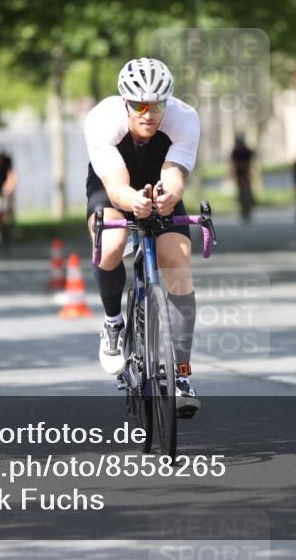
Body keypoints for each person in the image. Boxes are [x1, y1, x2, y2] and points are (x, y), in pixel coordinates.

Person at [84, 57, 201, 415]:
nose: (149, 113)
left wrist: (170, 197)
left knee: (178, 260)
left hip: (160, 179)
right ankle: (113, 323)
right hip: (113, 183)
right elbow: (116, 185)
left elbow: (175, 175)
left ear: (168, 102)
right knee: (112, 245)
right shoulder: (102, 119)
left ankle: (181, 374)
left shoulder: (185, 118)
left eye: (157, 105)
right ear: (125, 102)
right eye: (139, 105)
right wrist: (131, 201)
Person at [229, 133, 254, 222]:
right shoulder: (235, 151)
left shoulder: (247, 151)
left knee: (247, 192)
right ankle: (243, 209)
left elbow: (251, 162)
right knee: (241, 193)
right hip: (239, 174)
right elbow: (232, 163)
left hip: (246, 173)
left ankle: (248, 209)